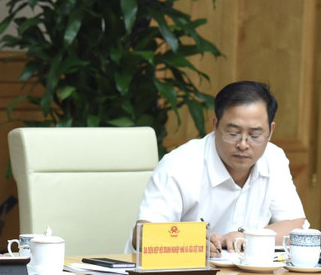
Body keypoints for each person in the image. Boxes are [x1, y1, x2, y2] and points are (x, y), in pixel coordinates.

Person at [130, 81, 306, 255]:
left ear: (270, 131)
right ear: (215, 125)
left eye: (255, 135)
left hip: (241, 272)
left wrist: (247, 237)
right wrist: (189, 242)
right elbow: (142, 235)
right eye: (233, 133)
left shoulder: (273, 158)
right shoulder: (179, 164)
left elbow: (295, 225)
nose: (243, 144)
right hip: (176, 270)